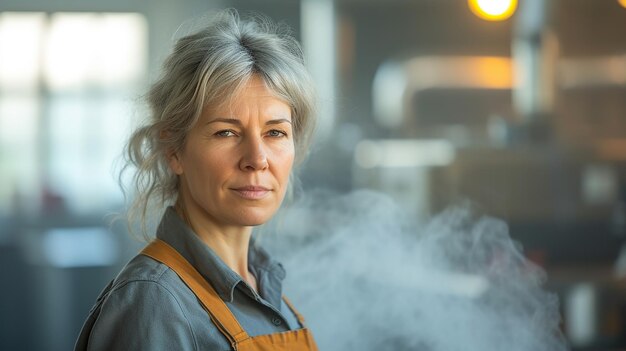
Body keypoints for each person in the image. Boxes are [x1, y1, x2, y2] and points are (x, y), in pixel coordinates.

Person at [74, 9, 318, 351]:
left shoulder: (265, 285)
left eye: (275, 132)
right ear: (174, 149)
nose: (257, 159)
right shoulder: (154, 302)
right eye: (227, 132)